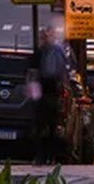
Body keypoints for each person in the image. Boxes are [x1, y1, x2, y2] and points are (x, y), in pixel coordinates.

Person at [30, 27, 68, 164]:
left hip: (50, 93)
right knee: (45, 126)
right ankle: (45, 156)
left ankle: (47, 156)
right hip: (47, 93)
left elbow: (60, 72)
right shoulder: (45, 52)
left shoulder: (53, 51)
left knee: (48, 126)